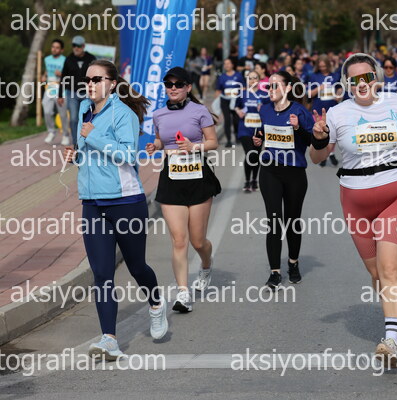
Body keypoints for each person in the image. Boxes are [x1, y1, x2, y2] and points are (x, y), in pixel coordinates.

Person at [309, 53, 397, 367]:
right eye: (354, 80)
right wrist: (318, 138)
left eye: (367, 77)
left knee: (390, 271)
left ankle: (390, 339)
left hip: (396, 195)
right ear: (346, 83)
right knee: (376, 274)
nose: (362, 84)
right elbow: (317, 158)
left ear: (377, 78)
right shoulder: (337, 114)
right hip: (355, 201)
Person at [63, 60, 168, 359]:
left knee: (137, 267)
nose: (90, 84)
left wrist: (93, 135)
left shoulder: (123, 114)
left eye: (96, 79)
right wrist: (76, 156)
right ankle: (109, 339)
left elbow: (127, 155)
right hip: (92, 203)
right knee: (102, 274)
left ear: (111, 83)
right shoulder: (85, 110)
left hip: (125, 202)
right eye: (87, 80)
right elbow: (90, 155)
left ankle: (156, 303)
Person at [146, 67, 221, 313]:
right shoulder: (158, 114)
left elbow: (213, 142)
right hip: (172, 179)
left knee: (198, 241)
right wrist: (155, 145)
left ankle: (206, 264)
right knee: (179, 240)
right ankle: (183, 293)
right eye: (169, 84)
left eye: (178, 84)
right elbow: (162, 140)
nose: (173, 88)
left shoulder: (199, 111)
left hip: (198, 180)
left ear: (188, 87)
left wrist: (194, 147)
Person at [252, 71, 314, 289]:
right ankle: (275, 272)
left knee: (292, 220)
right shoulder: (265, 109)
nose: (270, 90)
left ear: (288, 88)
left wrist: (298, 128)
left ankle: (293, 263)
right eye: (268, 86)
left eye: (275, 86)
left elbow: (313, 140)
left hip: (294, 172)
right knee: (274, 220)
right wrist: (258, 140)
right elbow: (263, 134)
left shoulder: (300, 111)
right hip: (270, 170)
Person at [58, 35, 96, 146]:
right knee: (74, 118)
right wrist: (60, 95)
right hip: (72, 93)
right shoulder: (69, 59)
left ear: (83, 46)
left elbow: (96, 75)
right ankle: (77, 143)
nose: (76, 48)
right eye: (74, 45)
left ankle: (89, 141)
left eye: (78, 46)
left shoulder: (91, 58)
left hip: (87, 93)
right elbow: (63, 77)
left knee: (88, 118)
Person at [234, 71, 269, 192]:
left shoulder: (264, 95)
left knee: (256, 154)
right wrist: (238, 111)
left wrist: (263, 110)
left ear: (259, 80)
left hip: (259, 130)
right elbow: (236, 106)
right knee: (250, 154)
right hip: (245, 129)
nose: (253, 80)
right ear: (247, 81)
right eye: (250, 78)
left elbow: (270, 110)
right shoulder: (242, 94)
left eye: (255, 78)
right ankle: (247, 180)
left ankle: (254, 180)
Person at [308, 55, 340, 167]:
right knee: (321, 133)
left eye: (324, 66)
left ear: (328, 65)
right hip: (318, 109)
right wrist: (319, 88)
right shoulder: (314, 76)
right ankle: (323, 154)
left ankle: (330, 153)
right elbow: (309, 94)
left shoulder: (335, 76)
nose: (322, 68)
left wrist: (338, 95)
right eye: (320, 66)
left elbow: (339, 89)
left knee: (332, 133)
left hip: (332, 108)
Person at [42, 39, 70, 145]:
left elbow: (69, 75)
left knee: (62, 114)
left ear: (61, 50)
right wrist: (44, 76)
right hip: (49, 87)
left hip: (61, 88)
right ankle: (51, 131)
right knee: (47, 111)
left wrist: (61, 74)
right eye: (53, 47)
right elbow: (47, 70)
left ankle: (65, 135)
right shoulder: (47, 59)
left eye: (57, 48)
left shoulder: (65, 60)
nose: (54, 49)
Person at [215, 58, 245, 147]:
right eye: (225, 64)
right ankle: (228, 140)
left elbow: (243, 88)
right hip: (225, 101)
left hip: (236, 101)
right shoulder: (222, 77)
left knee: (236, 120)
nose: (226, 65)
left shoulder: (238, 75)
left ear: (232, 65)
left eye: (228, 63)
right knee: (227, 120)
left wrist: (243, 99)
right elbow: (218, 90)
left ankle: (237, 137)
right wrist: (216, 103)